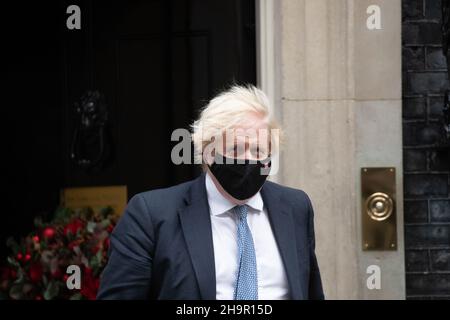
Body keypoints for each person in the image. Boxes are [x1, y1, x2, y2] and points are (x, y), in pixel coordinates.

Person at [97, 85, 324, 300]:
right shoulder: (151, 215)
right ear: (207, 152)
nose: (248, 159)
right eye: (235, 148)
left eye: (258, 150)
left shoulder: (296, 207)